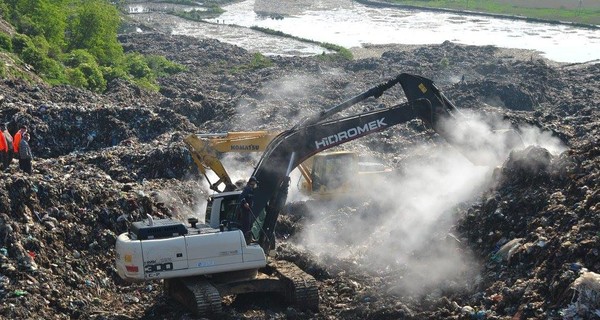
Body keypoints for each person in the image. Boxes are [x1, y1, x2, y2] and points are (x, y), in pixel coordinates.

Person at [238, 176, 258, 242]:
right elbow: (241, 197)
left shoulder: (252, 190)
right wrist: (245, 203)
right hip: (245, 211)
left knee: (250, 224)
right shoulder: (247, 189)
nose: (254, 185)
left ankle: (249, 238)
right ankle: (245, 239)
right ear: (250, 183)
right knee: (246, 225)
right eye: (253, 183)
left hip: (249, 210)